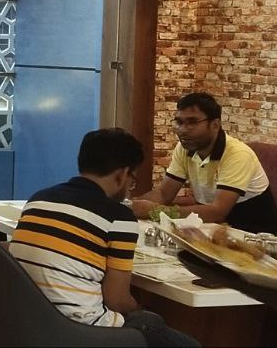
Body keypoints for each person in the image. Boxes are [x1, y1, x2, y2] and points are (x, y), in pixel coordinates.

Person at [10, 128, 198, 347]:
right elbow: (116, 299)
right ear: (122, 174)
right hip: (78, 333)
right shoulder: (119, 216)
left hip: (25, 323)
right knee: (163, 329)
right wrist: (140, 310)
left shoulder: (38, 199)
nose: (130, 188)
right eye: (132, 180)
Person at [131, 92, 277, 234]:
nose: (183, 130)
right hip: (214, 230)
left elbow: (217, 212)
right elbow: (164, 194)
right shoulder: (184, 148)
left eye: (192, 122)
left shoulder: (238, 154)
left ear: (215, 125)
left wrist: (157, 211)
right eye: (179, 122)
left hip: (255, 235)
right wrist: (130, 206)